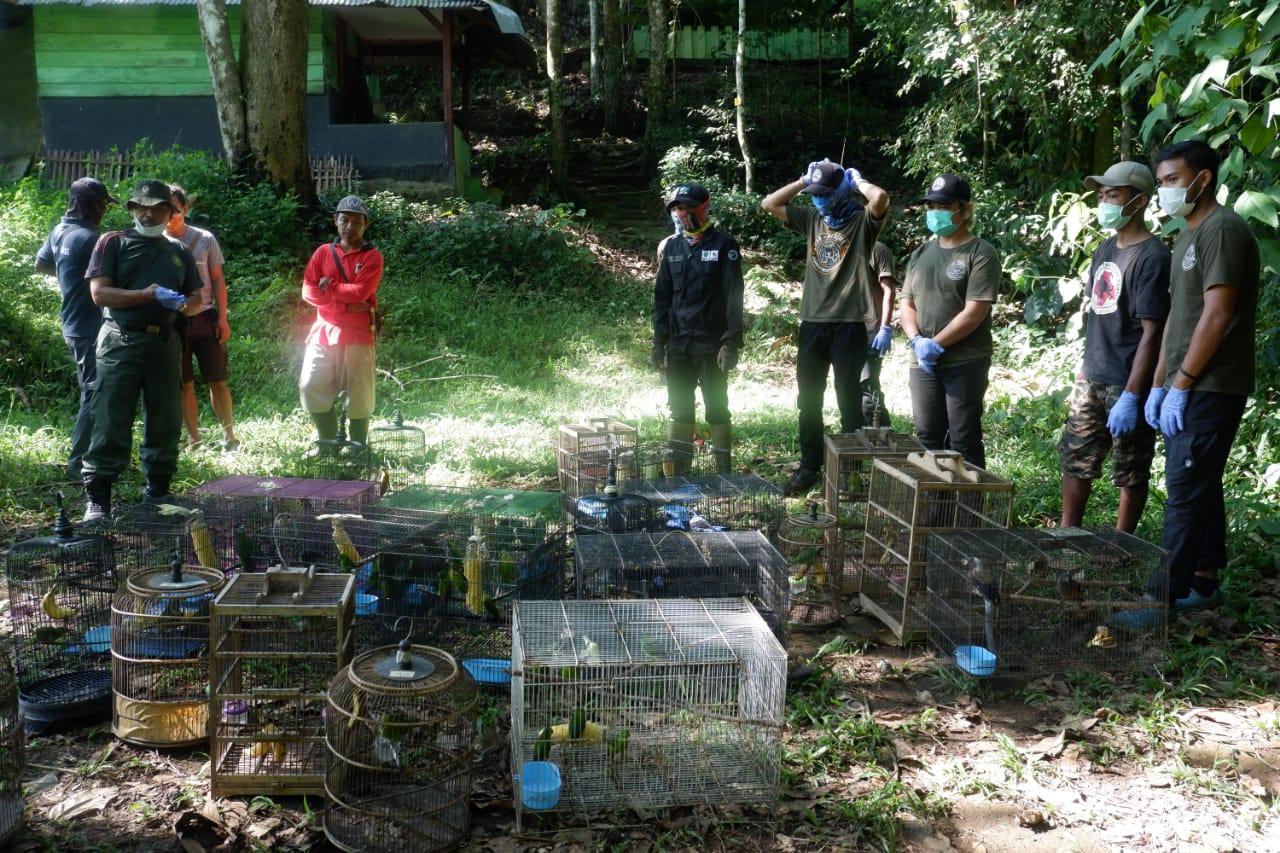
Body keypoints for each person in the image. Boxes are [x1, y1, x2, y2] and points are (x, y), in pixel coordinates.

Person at [1120, 140, 1259, 623]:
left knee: (1183, 488)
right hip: (1187, 380)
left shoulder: (1222, 230)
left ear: (1203, 180)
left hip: (1211, 383)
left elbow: (1217, 316)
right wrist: (1159, 383)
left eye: (1172, 181)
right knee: (1200, 482)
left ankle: (1161, 599)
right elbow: (1181, 316)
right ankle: (1203, 582)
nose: (1164, 191)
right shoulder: (1187, 234)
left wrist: (1182, 383)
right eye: (1160, 182)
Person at [761, 158, 890, 495]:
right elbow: (770, 204)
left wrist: (857, 181)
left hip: (849, 325)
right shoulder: (813, 219)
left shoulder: (863, 224)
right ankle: (809, 467)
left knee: (849, 400)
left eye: (824, 193)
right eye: (814, 194)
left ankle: (851, 472)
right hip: (813, 324)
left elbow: (880, 200)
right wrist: (805, 181)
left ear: (841, 192)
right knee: (809, 401)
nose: (818, 199)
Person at [81, 178, 203, 521]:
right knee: (110, 415)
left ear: (171, 213)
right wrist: (147, 295)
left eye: (157, 209)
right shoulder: (113, 243)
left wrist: (184, 305)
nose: (148, 215)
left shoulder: (178, 251)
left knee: (165, 419)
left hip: (165, 342)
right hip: (121, 340)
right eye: (141, 208)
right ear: (132, 210)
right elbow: (100, 294)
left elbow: (197, 297)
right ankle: (99, 502)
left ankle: (158, 494)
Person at [1058, 162, 1169, 533]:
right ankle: (1068, 533)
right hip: (1092, 377)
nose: (1105, 202)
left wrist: (1134, 395)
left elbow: (1153, 333)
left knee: (1130, 469)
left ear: (1138, 201)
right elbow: (1099, 313)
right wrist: (1083, 368)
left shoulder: (1153, 256)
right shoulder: (1105, 247)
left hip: (1127, 380)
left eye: (1114, 195)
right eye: (1102, 195)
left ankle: (1123, 543)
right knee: (1075, 458)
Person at [899, 174, 1000, 469]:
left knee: (963, 438)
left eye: (943, 206)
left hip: (965, 361)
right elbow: (906, 303)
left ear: (964, 209)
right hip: (923, 363)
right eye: (931, 205)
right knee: (928, 437)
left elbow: (975, 311)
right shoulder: (921, 253)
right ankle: (936, 509)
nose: (935, 211)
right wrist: (917, 341)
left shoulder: (981, 253)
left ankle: (970, 513)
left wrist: (936, 344)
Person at [651, 183, 745, 475]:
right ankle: (678, 476)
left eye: (688, 207)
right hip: (678, 345)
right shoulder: (671, 247)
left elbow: (734, 297)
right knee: (679, 410)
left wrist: (731, 342)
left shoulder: (724, 245)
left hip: (711, 345)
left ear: (704, 208)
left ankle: (723, 474)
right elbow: (662, 298)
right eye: (678, 208)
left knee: (717, 408)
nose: (683, 213)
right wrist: (658, 343)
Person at [34, 177, 118, 480]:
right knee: (93, 391)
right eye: (103, 204)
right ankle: (79, 463)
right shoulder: (90, 239)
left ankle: (97, 454)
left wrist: (71, 279)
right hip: (88, 326)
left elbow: (41, 263)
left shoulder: (60, 230)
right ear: (90, 204)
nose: (105, 210)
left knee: (96, 390)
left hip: (72, 322)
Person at [299, 195, 383, 451]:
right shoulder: (323, 252)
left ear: (365, 224)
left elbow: (361, 292)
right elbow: (308, 291)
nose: (350, 226)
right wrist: (342, 304)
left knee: (359, 390)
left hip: (357, 333)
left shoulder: (372, 257)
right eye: (344, 220)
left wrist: (331, 286)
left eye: (357, 221)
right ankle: (328, 441)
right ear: (335, 221)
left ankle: (357, 444)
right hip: (323, 331)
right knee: (311, 384)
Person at [168, 184, 240, 451]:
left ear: (185, 209)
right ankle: (194, 439)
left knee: (217, 379)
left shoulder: (205, 239)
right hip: (174, 323)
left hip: (206, 318)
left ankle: (229, 436)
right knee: (183, 383)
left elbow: (218, 280)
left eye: (174, 210)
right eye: (164, 210)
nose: (169, 216)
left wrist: (222, 318)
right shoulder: (156, 242)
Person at [862, 242, 898, 427]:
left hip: (870, 332)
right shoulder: (840, 246)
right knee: (849, 390)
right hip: (845, 329)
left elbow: (888, 290)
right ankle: (855, 438)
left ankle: (881, 436)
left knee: (867, 389)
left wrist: (884, 327)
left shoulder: (877, 249)